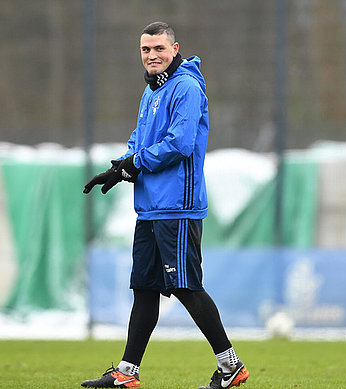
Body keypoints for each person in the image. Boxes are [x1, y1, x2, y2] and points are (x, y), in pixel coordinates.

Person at [81, 22, 249, 389]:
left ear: (175, 50)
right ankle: (126, 374)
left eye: (159, 48)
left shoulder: (186, 87)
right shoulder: (151, 92)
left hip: (178, 207)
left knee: (187, 287)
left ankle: (231, 367)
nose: (152, 55)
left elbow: (180, 143)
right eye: (145, 50)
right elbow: (139, 140)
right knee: (144, 288)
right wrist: (118, 169)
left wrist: (135, 163)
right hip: (151, 207)